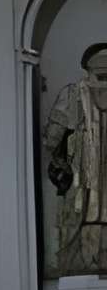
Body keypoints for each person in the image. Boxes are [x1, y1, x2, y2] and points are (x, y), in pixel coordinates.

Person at [43, 41, 107, 274]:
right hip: (82, 181)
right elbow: (53, 140)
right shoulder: (71, 95)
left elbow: (51, 141)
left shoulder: (74, 94)